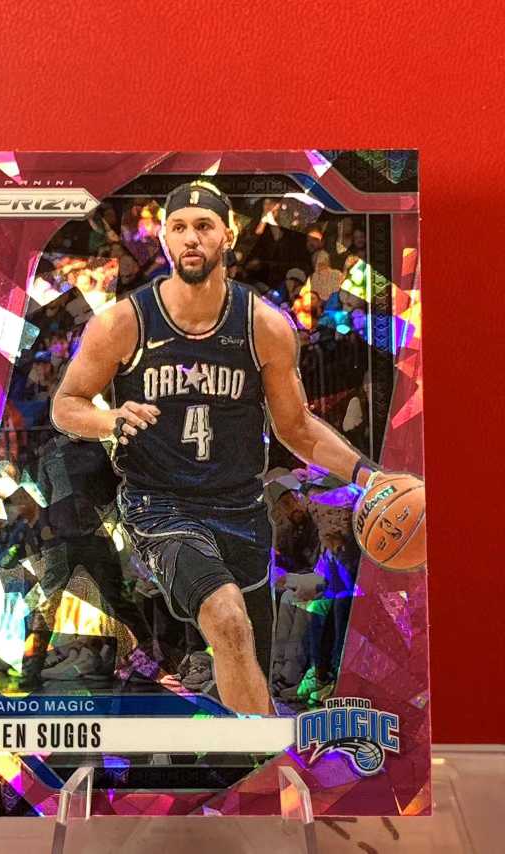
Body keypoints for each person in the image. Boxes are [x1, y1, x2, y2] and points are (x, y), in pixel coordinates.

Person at [52, 180, 386, 715]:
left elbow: (297, 428)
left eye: (203, 226)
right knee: (227, 619)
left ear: (226, 236)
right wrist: (109, 419)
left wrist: (373, 478)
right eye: (179, 227)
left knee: (249, 657)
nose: (191, 238)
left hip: (240, 510)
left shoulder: (264, 326)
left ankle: (248, 750)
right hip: (161, 506)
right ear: (164, 239)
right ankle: (262, 754)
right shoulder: (123, 322)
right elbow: (66, 404)